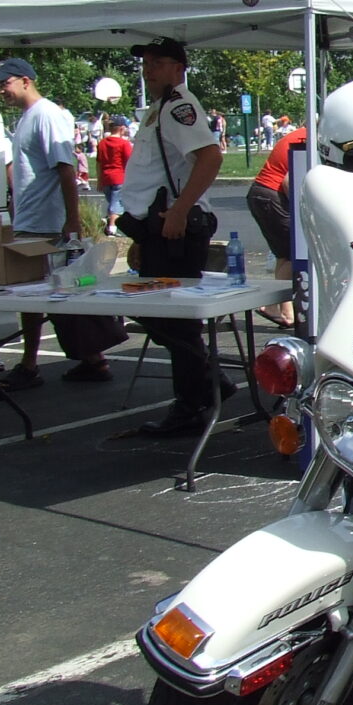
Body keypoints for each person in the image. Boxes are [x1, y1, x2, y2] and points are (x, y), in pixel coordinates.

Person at [0, 57, 119, 386]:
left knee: (46, 295)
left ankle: (32, 365)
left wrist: (71, 220)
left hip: (47, 223)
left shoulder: (46, 115)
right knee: (47, 296)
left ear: (26, 81)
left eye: (6, 82)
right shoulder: (28, 118)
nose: (1, 89)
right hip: (32, 220)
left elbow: (66, 169)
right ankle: (92, 360)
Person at [117, 37, 227, 435]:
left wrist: (179, 209)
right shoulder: (160, 108)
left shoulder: (179, 106)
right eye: (147, 63)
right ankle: (207, 384)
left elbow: (210, 157)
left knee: (173, 320)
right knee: (160, 315)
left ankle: (193, 403)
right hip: (157, 229)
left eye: (159, 63)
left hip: (173, 230)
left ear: (179, 68)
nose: (150, 70)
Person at [248, 123, 304, 328]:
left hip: (260, 193)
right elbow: (289, 182)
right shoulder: (309, 140)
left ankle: (283, 310)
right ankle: (276, 308)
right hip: (272, 195)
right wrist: (303, 211)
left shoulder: (300, 134)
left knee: (284, 255)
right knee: (295, 253)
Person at [95, 118, 132, 236]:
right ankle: (112, 227)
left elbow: (98, 163)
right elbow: (129, 161)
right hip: (119, 177)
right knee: (117, 204)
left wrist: (99, 179)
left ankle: (107, 222)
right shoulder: (124, 144)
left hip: (106, 177)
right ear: (121, 128)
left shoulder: (102, 143)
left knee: (112, 201)